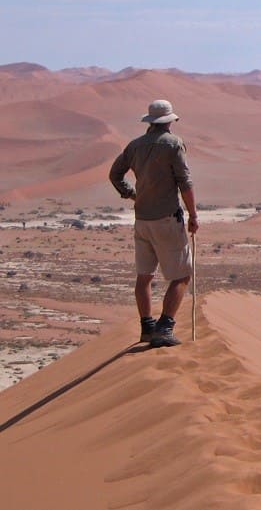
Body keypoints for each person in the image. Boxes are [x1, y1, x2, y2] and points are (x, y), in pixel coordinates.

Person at [109, 100, 199, 347]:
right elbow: (185, 182)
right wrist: (193, 215)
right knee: (182, 275)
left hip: (142, 220)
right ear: (169, 121)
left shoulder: (135, 145)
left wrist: (132, 194)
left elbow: (114, 174)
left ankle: (147, 328)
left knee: (144, 276)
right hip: (166, 218)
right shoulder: (173, 144)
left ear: (150, 122)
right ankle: (165, 327)